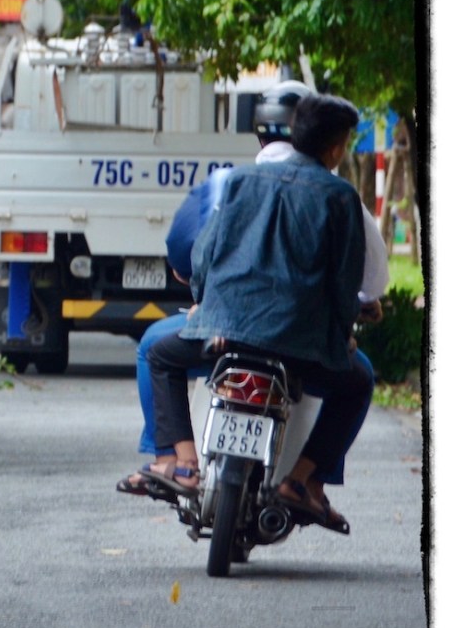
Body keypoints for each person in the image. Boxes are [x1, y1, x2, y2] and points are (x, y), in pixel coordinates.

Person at [122, 81, 385, 499]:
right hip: (301, 348)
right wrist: (342, 333)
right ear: (335, 148)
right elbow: (347, 282)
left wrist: (206, 305)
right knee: (359, 381)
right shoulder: (341, 197)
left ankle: (182, 464)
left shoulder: (238, 180)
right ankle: (303, 482)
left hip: (224, 335)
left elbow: (203, 256)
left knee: (157, 354)